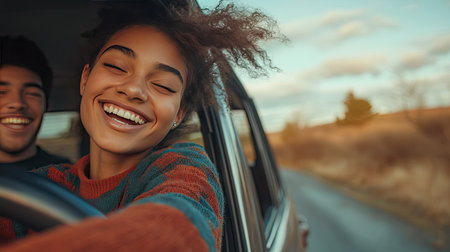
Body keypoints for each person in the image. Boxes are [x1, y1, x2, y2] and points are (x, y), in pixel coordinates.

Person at [0, 1, 283, 251]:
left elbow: (180, 229)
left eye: (162, 85)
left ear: (180, 113)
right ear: (85, 80)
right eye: (117, 67)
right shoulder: (47, 181)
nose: (134, 89)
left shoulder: (185, 167)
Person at [0, 35, 70, 171]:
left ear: (46, 106)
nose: (17, 103)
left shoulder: (67, 179)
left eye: (32, 93)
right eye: (1, 91)